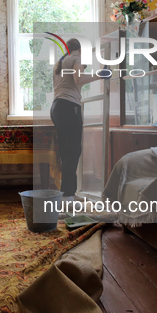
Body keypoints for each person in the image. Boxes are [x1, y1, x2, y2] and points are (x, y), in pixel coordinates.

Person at [50, 38, 109, 200]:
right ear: (80, 50)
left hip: (57, 107)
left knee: (66, 151)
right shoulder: (76, 58)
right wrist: (100, 75)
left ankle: (68, 193)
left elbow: (73, 82)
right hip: (69, 108)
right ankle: (68, 196)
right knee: (73, 152)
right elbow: (78, 79)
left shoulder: (61, 62)